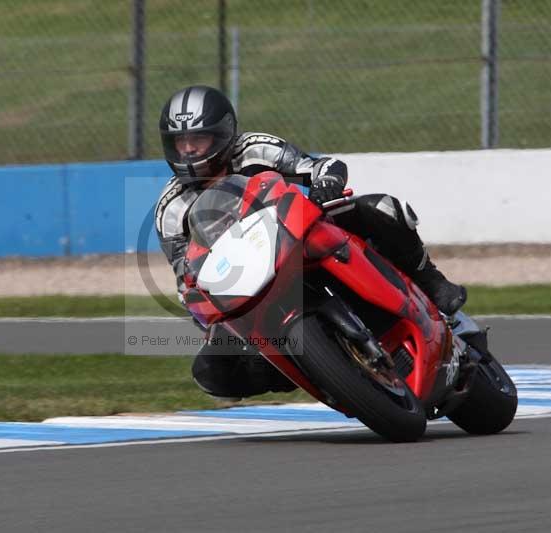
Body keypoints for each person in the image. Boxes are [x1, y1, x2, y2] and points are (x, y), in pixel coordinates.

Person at [154, 85, 467, 400]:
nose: (190, 150)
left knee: (381, 209)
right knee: (210, 373)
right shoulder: (171, 209)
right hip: (246, 281)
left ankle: (432, 282)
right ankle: (305, 369)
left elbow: (320, 166)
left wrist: (325, 184)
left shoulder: (254, 148)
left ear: (223, 134)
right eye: (181, 143)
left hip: (296, 233)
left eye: (198, 139)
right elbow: (187, 276)